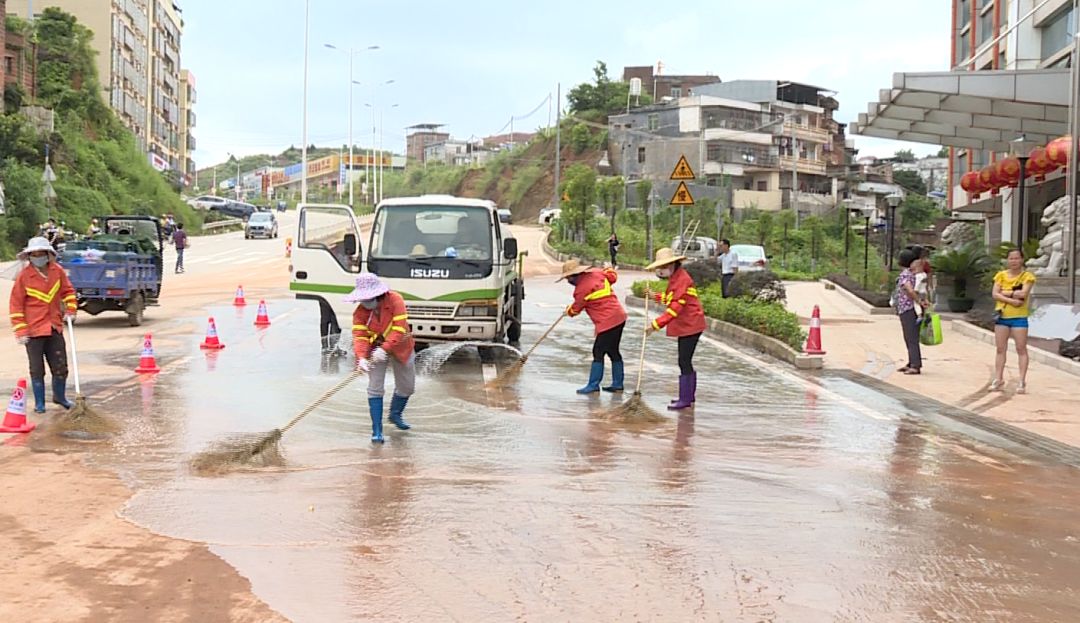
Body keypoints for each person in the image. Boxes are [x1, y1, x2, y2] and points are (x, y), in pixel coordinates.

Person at [9, 237, 78, 413]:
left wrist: (71, 308)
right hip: (33, 331)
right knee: (37, 369)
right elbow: (15, 305)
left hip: (54, 326)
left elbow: (68, 291)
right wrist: (21, 330)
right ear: (29, 256)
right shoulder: (24, 277)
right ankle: (40, 403)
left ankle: (60, 397)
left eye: (41, 254)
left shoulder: (58, 271)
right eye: (34, 254)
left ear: (48, 255)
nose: (38, 257)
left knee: (60, 365)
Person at [346, 272, 415, 443]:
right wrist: (361, 357)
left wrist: (386, 348)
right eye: (362, 299)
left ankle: (395, 414)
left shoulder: (395, 300)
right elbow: (360, 336)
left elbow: (399, 328)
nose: (365, 303)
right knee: (375, 387)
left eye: (368, 298)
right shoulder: (360, 313)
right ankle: (377, 429)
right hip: (374, 348)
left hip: (400, 345)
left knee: (407, 386)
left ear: (378, 294)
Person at [644, 247, 707, 410]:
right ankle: (688, 397)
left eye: (664, 267)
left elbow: (674, 309)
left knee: (684, 360)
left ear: (673, 264)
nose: (661, 271)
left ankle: (685, 399)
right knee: (685, 360)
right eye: (660, 268)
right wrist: (654, 296)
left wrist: (654, 325)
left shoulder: (682, 280)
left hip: (691, 325)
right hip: (688, 324)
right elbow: (671, 299)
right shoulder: (676, 278)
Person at [559, 259, 628, 394]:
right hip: (619, 316)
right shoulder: (598, 273)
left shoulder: (581, 290)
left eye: (568, 278)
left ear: (575, 275)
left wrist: (568, 311)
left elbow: (575, 310)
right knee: (613, 351)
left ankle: (593, 385)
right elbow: (612, 276)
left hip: (608, 321)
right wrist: (609, 269)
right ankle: (617, 384)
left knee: (598, 351)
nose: (568, 281)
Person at [991, 248, 1036, 393]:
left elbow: (1023, 294)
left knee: (1021, 348)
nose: (1014, 261)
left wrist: (1005, 292)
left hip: (1019, 317)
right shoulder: (1001, 275)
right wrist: (1011, 297)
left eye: (1017, 258)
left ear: (1022, 260)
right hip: (1002, 316)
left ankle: (1022, 380)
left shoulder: (1027, 276)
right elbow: (995, 294)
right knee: (1000, 348)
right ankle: (998, 378)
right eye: (1011, 258)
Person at [894, 249, 922, 375]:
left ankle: (915, 365)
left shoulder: (905, 275)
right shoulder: (909, 273)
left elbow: (910, 290)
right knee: (909, 337)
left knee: (911, 337)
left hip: (908, 309)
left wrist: (919, 301)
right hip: (907, 308)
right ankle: (911, 362)